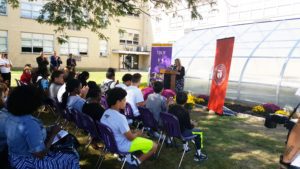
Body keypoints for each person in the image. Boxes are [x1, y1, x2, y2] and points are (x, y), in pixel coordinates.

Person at [4, 85, 80, 169]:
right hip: (27, 163)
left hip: (15, 158)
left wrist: (47, 129)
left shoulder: (11, 117)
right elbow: (39, 154)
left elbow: (24, 137)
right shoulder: (29, 123)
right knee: (71, 158)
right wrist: (53, 134)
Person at [100, 87, 158, 168]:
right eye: (124, 100)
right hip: (122, 145)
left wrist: (133, 133)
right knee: (154, 146)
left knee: (140, 139)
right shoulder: (120, 117)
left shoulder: (105, 113)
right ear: (118, 102)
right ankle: (135, 162)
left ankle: (128, 157)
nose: (125, 102)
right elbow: (131, 138)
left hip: (111, 143)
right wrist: (138, 133)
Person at [168, 91, 207, 161]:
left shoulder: (171, 108)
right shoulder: (185, 112)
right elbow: (188, 127)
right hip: (181, 133)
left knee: (183, 128)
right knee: (199, 132)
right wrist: (193, 124)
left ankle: (185, 148)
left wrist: (189, 121)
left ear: (176, 99)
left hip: (172, 131)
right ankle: (199, 155)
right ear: (186, 101)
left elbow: (178, 119)